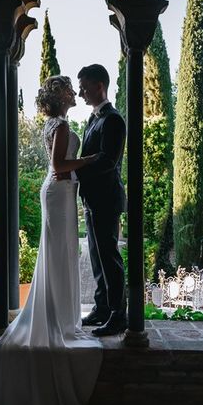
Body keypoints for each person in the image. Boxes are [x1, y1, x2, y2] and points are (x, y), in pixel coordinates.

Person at [0, 75, 102, 405]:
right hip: (59, 191)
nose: (74, 93)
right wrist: (90, 160)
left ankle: (60, 315)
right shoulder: (62, 127)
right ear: (60, 96)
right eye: (70, 90)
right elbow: (58, 167)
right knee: (58, 253)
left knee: (60, 252)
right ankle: (56, 320)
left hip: (60, 193)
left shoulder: (57, 123)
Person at [73, 64, 128, 336]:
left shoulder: (113, 120)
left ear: (99, 86)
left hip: (106, 199)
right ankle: (102, 307)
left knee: (109, 257)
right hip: (91, 199)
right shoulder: (93, 119)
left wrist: (74, 168)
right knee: (96, 256)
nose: (81, 92)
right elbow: (91, 155)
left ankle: (119, 314)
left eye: (84, 86)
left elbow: (108, 161)